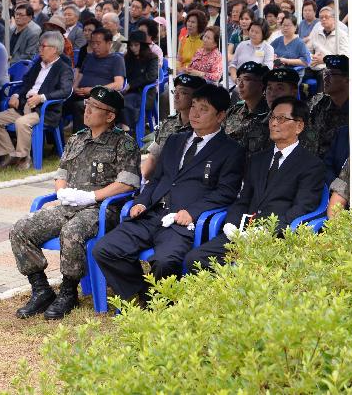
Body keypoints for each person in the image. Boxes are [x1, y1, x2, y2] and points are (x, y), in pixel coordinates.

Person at [93, 84, 245, 303]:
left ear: (221, 116)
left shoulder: (231, 150)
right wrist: (143, 201)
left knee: (165, 262)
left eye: (204, 109)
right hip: (152, 213)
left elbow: (225, 193)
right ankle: (143, 294)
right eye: (193, 106)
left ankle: (161, 303)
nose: (194, 113)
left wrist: (192, 212)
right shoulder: (175, 140)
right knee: (105, 249)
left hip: (181, 222)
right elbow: (157, 179)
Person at [10, 87, 141, 320]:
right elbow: (61, 173)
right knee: (21, 228)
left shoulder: (124, 143)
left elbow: (128, 183)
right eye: (87, 104)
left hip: (101, 209)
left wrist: (92, 196)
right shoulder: (77, 139)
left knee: (72, 232)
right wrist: (62, 193)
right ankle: (41, 289)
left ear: (110, 116)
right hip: (69, 205)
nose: (87, 110)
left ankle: (69, 291)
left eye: (94, 107)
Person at [186, 96, 325, 271]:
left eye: (281, 119)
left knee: (247, 268)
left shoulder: (311, 164)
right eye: (272, 118)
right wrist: (231, 224)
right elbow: (244, 199)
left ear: (299, 126)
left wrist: (269, 230)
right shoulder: (258, 159)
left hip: (275, 237)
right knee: (196, 258)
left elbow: (302, 207)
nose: (274, 123)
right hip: (243, 233)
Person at [0, 31, 74, 170]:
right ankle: (8, 155)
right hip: (23, 106)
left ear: (54, 49)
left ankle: (23, 158)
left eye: (43, 46)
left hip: (44, 111)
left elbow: (65, 91)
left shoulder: (63, 69)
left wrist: (41, 98)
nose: (39, 49)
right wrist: (15, 95)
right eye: (40, 46)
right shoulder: (37, 64)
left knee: (21, 122)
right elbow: (24, 83)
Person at [141, 73, 205, 179]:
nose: (176, 96)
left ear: (196, 98)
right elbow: (153, 157)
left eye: (183, 92)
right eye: (175, 91)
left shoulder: (205, 125)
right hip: (163, 182)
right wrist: (144, 179)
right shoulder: (168, 124)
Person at [65, 28, 126, 132]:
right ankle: (52, 139)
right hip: (81, 93)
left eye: (98, 43)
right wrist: (74, 88)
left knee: (79, 106)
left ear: (109, 43)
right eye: (93, 43)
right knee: (58, 102)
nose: (95, 46)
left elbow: (119, 84)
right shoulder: (89, 57)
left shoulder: (116, 59)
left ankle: (81, 140)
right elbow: (79, 76)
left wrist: (94, 90)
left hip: (102, 97)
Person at [303, 55, 349, 158]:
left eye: (331, 74)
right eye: (325, 73)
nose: (325, 78)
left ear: (346, 79)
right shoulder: (316, 102)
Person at [225, 61, 271, 159]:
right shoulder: (233, 111)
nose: (240, 85)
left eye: (246, 80)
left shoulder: (271, 115)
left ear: (261, 84)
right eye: (239, 80)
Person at [122, 30, 160, 130]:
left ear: (142, 45)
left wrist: (132, 84)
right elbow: (123, 74)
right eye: (131, 45)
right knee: (114, 101)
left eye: (136, 45)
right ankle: (122, 129)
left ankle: (127, 130)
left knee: (127, 102)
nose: (133, 48)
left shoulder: (152, 58)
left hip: (145, 93)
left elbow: (151, 77)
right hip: (130, 92)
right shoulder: (128, 58)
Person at [228, 19, 274, 84]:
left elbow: (267, 69)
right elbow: (233, 64)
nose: (253, 34)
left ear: (264, 34)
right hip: (236, 81)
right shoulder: (242, 45)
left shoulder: (268, 49)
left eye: (257, 32)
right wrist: (235, 79)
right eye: (251, 30)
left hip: (256, 83)